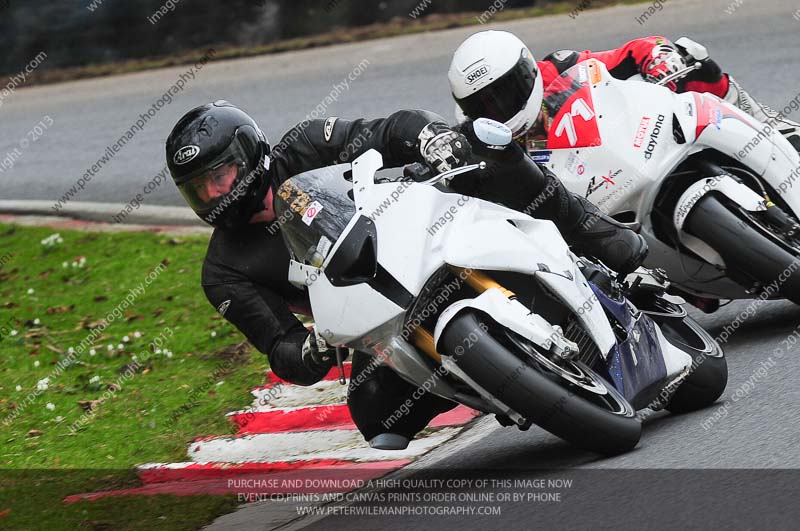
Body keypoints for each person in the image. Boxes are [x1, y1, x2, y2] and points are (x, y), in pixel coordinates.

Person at [165, 100, 646, 449]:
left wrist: (430, 139)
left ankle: (592, 231)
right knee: (376, 419)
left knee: (485, 143)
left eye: (220, 176)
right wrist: (311, 348)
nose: (213, 195)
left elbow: (390, 128)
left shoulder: (307, 144)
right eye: (199, 190)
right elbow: (279, 347)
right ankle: (496, 384)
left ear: (249, 154)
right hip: (386, 321)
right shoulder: (223, 271)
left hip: (428, 234)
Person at [448, 31, 800, 152]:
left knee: (696, 65)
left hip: (633, 142)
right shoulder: (481, 139)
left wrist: (657, 55)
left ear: (527, 71)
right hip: (596, 207)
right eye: (485, 104)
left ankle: (773, 132)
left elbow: (627, 54)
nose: (500, 107)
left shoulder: (557, 66)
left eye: (506, 91)